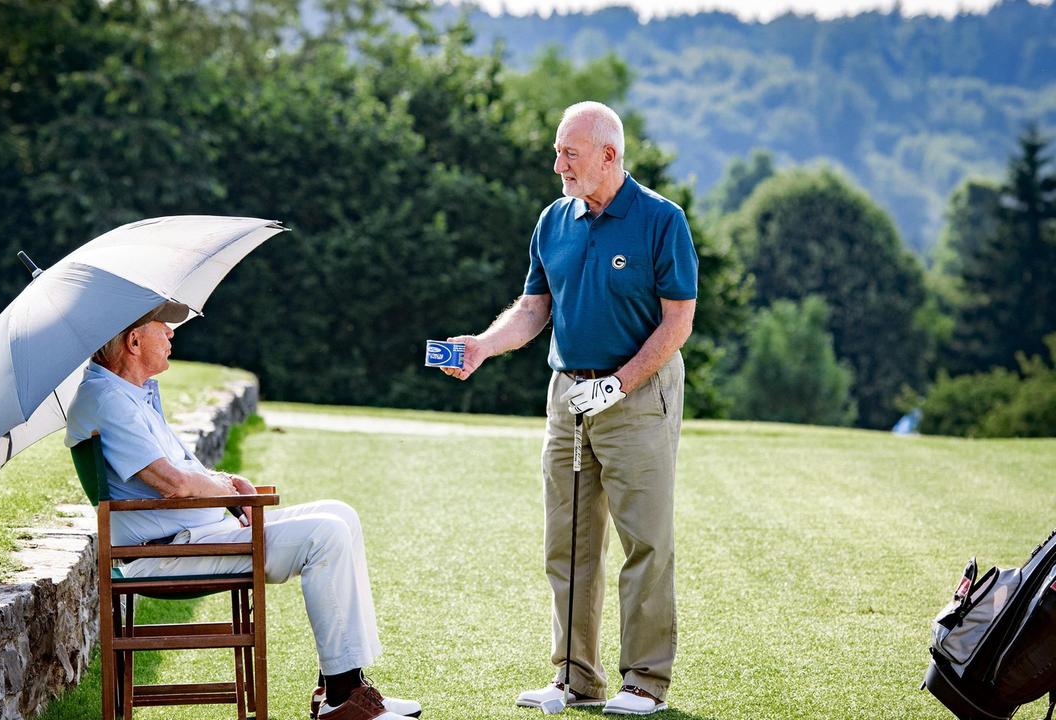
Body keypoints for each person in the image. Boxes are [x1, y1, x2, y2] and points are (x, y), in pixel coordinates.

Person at [443, 101, 697, 716]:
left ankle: (645, 682)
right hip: (567, 398)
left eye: (569, 153)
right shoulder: (553, 220)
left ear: (608, 156)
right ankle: (576, 679)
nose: (558, 164)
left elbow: (677, 323)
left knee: (645, 541)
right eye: (558, 151)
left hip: (639, 397)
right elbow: (534, 310)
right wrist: (482, 346)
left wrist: (620, 383)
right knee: (570, 542)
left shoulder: (662, 220)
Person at [65, 301, 420, 720]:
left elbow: (179, 471)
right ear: (134, 340)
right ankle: (343, 703)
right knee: (325, 534)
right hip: (169, 553)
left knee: (340, 513)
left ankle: (344, 687)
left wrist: (228, 483)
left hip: (198, 536)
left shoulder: (130, 395)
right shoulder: (109, 400)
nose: (172, 335)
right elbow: (174, 484)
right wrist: (223, 490)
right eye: (164, 327)